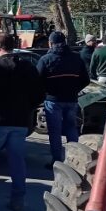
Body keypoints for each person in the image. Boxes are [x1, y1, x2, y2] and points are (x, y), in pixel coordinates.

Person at [0, 33, 44, 211]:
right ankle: (18, 200)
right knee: (17, 161)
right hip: (19, 121)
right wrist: (26, 108)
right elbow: (38, 94)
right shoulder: (27, 66)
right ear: (14, 46)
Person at [37, 31, 90, 168]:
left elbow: (37, 79)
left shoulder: (46, 59)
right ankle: (75, 161)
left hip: (53, 100)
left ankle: (57, 161)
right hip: (71, 99)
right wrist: (74, 89)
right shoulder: (76, 58)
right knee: (71, 129)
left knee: (55, 132)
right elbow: (85, 79)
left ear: (50, 43)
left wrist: (46, 90)